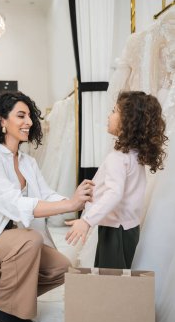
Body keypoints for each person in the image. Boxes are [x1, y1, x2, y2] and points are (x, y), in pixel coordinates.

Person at [0, 91, 93, 322]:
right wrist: (69, 204)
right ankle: (6, 311)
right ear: (1, 121)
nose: (29, 122)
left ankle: (2, 294)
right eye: (21, 115)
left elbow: (47, 195)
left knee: (62, 268)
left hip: (17, 242)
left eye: (30, 116)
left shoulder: (28, 162)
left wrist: (77, 202)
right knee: (31, 239)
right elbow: (15, 204)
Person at [65, 91, 167, 269]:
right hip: (129, 228)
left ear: (128, 121)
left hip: (115, 230)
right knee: (121, 274)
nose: (109, 115)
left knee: (109, 278)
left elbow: (114, 194)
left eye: (114, 111)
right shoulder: (134, 155)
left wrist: (87, 220)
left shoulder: (119, 157)